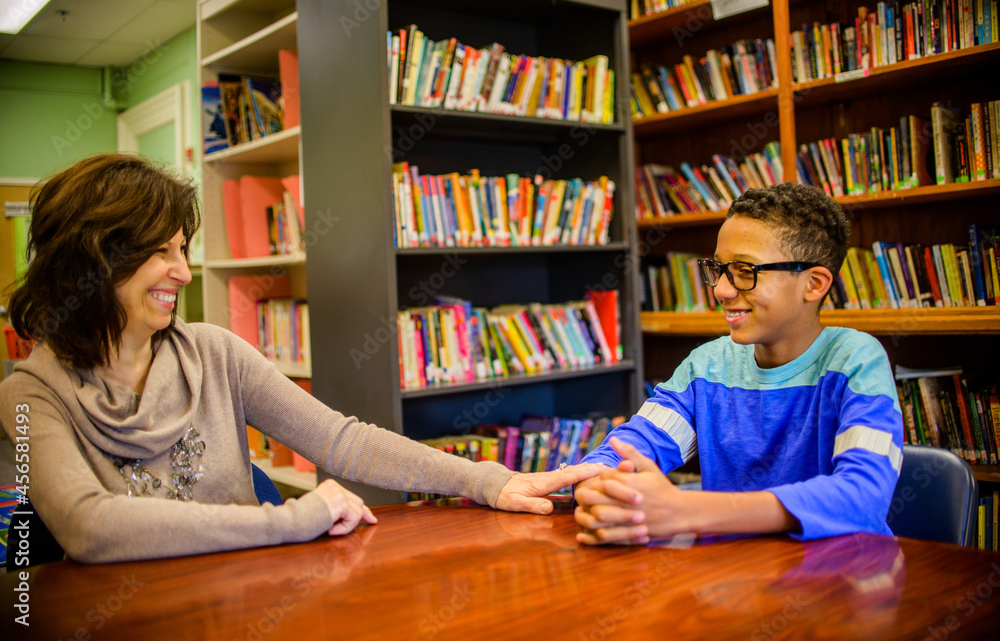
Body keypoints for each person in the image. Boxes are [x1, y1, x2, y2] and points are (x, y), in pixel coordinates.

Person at [0, 153, 599, 564]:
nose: (183, 273)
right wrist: (291, 518)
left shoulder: (214, 353)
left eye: (182, 249)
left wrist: (488, 481)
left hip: (247, 597)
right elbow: (87, 528)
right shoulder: (29, 395)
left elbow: (344, 441)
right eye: (160, 253)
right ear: (94, 260)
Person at [574, 182, 903, 545]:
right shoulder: (707, 367)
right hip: (732, 581)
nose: (722, 290)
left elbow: (862, 496)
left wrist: (690, 509)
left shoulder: (855, 360)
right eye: (719, 269)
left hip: (839, 580)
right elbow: (632, 447)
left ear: (814, 284)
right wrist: (598, 485)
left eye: (745, 271)